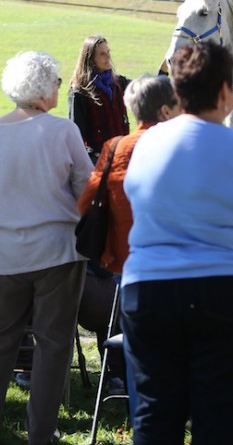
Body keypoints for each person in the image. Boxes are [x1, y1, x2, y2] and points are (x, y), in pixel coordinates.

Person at [121, 41, 233, 444]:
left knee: (155, 415)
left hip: (151, 288)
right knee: (219, 418)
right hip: (228, 289)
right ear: (227, 92)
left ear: (177, 90)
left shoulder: (146, 146)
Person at [0, 51, 93, 445]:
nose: (59, 85)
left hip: (3, 252)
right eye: (55, 79)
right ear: (41, 88)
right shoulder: (63, 131)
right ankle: (40, 433)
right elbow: (85, 191)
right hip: (56, 251)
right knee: (52, 345)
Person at [76, 74, 179, 400]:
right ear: (165, 110)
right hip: (179, 267)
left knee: (136, 343)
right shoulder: (183, 146)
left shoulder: (115, 147)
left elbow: (85, 204)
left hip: (128, 269)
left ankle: (138, 402)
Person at [68, 35, 130, 163]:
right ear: (90, 59)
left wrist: (163, 72)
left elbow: (147, 90)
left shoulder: (119, 83)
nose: (108, 57)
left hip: (122, 159)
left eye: (108, 52)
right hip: (97, 162)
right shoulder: (80, 91)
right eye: (102, 54)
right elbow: (77, 135)